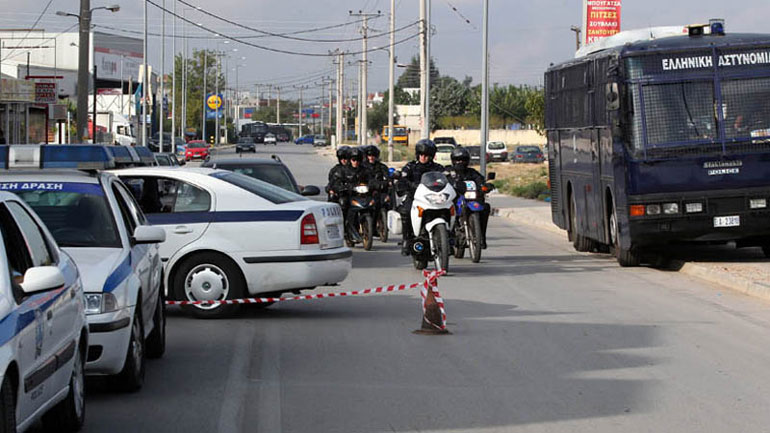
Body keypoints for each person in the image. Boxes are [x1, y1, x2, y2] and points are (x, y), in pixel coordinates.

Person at [397, 139, 445, 255]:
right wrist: (407, 184)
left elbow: (447, 179)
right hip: (415, 198)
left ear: (432, 156)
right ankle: (406, 239)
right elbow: (403, 178)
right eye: (421, 155)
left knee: (450, 209)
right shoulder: (410, 167)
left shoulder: (438, 168)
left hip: (434, 197)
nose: (423, 157)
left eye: (426, 155)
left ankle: (448, 238)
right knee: (406, 211)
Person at [447, 146, 491, 249]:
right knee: (444, 211)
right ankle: (447, 239)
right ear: (453, 161)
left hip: (470, 199)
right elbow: (441, 180)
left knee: (485, 207)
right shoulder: (448, 172)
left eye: (463, 160)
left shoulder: (472, 172)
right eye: (458, 160)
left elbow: (480, 180)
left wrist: (485, 186)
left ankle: (481, 236)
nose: (460, 162)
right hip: (454, 199)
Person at [338, 147, 373, 242]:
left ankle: (373, 227)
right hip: (348, 196)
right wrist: (342, 187)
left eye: (358, 160)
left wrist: (375, 185)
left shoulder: (365, 170)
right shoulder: (343, 171)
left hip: (362, 196)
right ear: (350, 160)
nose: (355, 162)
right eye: (353, 160)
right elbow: (336, 182)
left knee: (374, 203)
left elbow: (372, 180)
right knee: (343, 204)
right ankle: (345, 229)